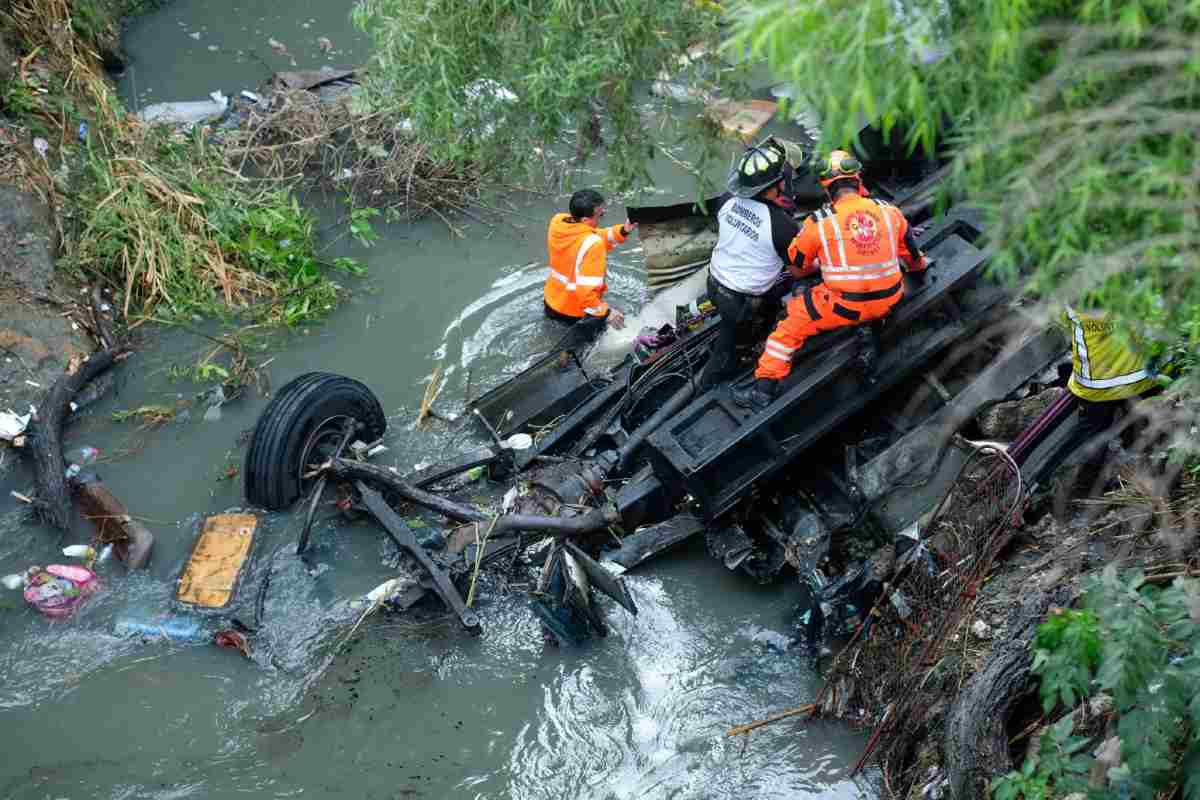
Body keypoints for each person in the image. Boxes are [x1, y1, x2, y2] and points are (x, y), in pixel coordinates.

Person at [734, 150, 928, 410]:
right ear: (858, 180)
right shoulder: (889, 211)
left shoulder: (819, 222)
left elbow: (798, 266)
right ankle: (867, 329)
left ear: (827, 188)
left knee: (789, 326)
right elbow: (912, 254)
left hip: (844, 307)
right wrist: (918, 269)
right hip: (891, 297)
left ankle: (763, 389)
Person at [699, 138, 804, 388]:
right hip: (741, 303)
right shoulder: (781, 225)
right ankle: (713, 383)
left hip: (714, 284)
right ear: (775, 186)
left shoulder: (726, 200)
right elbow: (798, 270)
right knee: (728, 351)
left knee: (761, 305)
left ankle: (747, 332)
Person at [1032, 307, 1166, 498]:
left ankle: (1071, 488)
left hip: (1095, 387)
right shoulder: (1135, 285)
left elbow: (1060, 322)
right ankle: (1153, 471)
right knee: (1147, 427)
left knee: (1091, 434)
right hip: (1141, 380)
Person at [544, 189, 637, 345]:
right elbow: (586, 296)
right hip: (576, 313)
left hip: (551, 303)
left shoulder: (558, 223)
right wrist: (608, 313)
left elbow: (592, 234)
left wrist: (623, 230)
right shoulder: (593, 244)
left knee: (556, 345)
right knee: (580, 357)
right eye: (600, 215)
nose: (602, 217)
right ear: (587, 219)